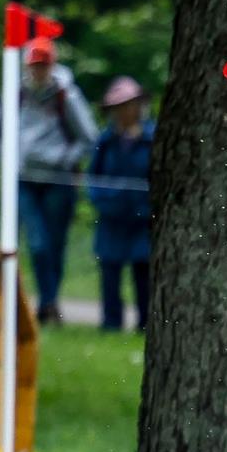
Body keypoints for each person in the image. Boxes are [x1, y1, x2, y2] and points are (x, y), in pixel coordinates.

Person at [18, 38, 97, 323]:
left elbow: (88, 137)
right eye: (34, 66)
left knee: (54, 243)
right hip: (25, 178)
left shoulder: (67, 96)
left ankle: (49, 302)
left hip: (58, 180)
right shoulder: (18, 93)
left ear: (51, 65)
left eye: (43, 65)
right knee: (37, 244)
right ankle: (47, 302)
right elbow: (3, 131)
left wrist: (64, 159)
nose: (38, 71)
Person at [87, 77, 154, 331]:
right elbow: (94, 177)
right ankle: (110, 324)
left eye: (129, 105)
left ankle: (145, 324)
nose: (124, 112)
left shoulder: (152, 138)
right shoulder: (105, 141)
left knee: (143, 272)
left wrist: (148, 208)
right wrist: (104, 202)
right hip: (112, 218)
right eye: (119, 107)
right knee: (110, 270)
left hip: (142, 219)